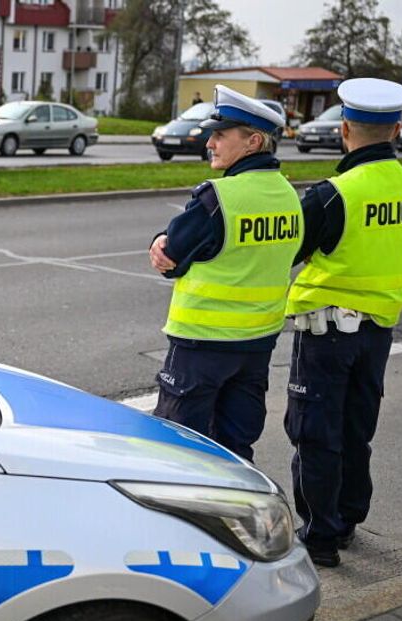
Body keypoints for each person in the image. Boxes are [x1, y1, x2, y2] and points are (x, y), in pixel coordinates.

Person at [286, 78, 402, 568]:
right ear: (398, 129)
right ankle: (347, 517)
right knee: (355, 428)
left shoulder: (332, 195)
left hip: (326, 337)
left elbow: (292, 250)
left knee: (315, 433)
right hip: (378, 333)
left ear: (344, 129)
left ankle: (320, 537)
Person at [148, 84, 300, 461]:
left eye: (219, 135)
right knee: (235, 452)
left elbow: (173, 255)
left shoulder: (216, 197)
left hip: (202, 346)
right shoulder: (290, 196)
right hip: (257, 345)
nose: (210, 143)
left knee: (179, 452)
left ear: (251, 142)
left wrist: (161, 241)